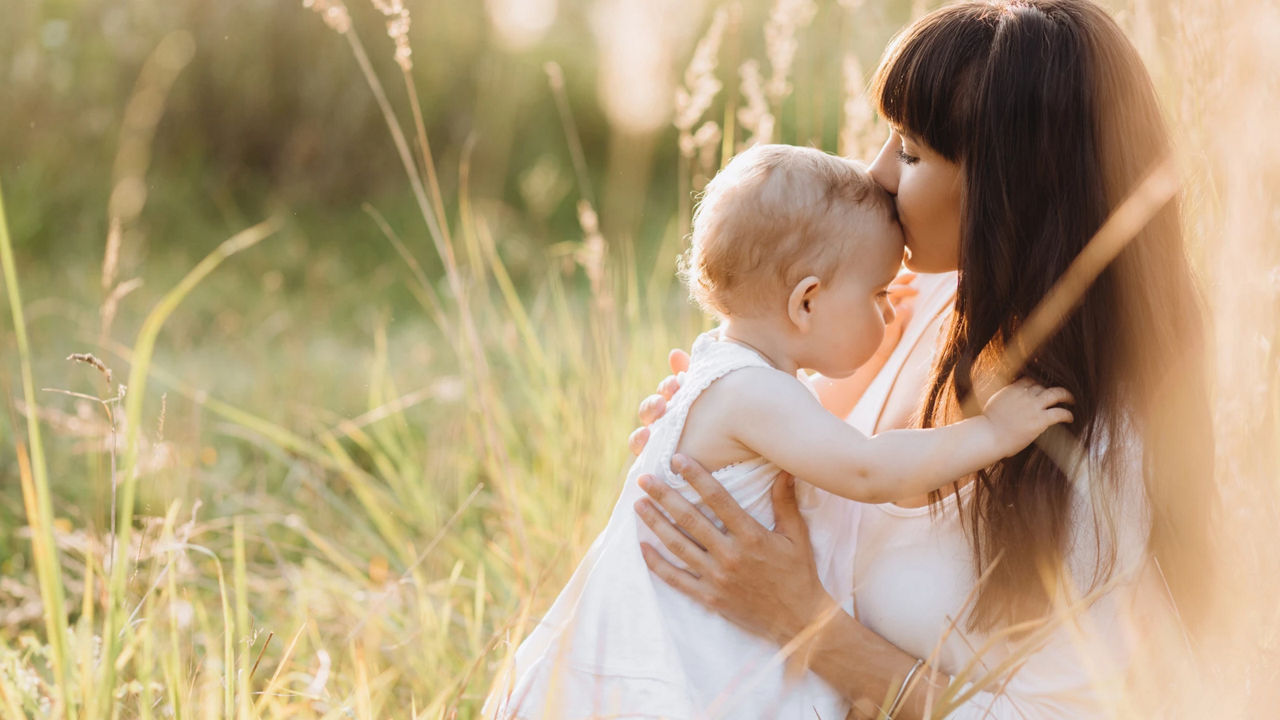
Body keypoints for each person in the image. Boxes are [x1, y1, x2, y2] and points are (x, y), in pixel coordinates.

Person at [628, 1, 1216, 718]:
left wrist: (802, 622)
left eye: (909, 152)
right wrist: (717, 443)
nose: (875, 173)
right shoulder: (912, 302)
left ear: (1009, 188)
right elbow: (814, 451)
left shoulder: (1093, 452)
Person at [484, 144, 1074, 719]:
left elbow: (817, 412)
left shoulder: (730, 369)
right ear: (807, 304)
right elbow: (866, 468)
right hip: (686, 664)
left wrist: (870, 342)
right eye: (877, 295)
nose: (891, 313)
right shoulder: (753, 394)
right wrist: (993, 433)